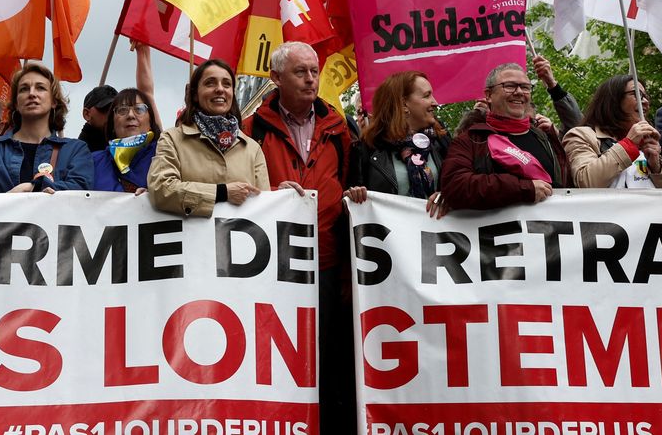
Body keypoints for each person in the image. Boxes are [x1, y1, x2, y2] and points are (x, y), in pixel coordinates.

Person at [241, 42, 352, 435]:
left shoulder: (340, 128)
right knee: (280, 357)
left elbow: (351, 182)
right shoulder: (252, 128)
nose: (310, 79)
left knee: (330, 359)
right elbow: (241, 185)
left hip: (326, 261)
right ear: (276, 78)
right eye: (300, 72)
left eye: (313, 70)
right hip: (272, 265)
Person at [441, 62, 572, 213]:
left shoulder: (545, 137)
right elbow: (455, 186)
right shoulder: (471, 141)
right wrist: (524, 189)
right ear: (489, 95)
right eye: (509, 86)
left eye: (525, 87)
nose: (519, 92)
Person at [147, 59, 269, 216]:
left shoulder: (252, 149)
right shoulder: (172, 139)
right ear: (195, 95)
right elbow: (161, 189)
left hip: (238, 239)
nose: (220, 89)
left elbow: (265, 204)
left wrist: (284, 194)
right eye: (210, 83)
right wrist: (221, 193)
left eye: (226, 84)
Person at [0, 62, 93, 194]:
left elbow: (81, 190)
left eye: (40, 88)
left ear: (54, 101)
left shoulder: (75, 150)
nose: (31, 94)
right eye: (24, 89)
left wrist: (33, 186)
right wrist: (9, 198)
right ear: (16, 103)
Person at [346, 70, 450, 206]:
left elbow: (458, 185)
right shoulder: (367, 148)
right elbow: (352, 203)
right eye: (427, 96)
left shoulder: (441, 140)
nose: (435, 102)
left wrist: (448, 196)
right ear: (403, 104)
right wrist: (353, 195)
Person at [563, 75, 662, 189]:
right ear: (613, 100)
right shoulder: (581, 135)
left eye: (645, 96)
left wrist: (655, 166)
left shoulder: (646, 140)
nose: (644, 101)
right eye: (636, 94)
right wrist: (628, 145)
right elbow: (586, 182)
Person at [92, 87, 160, 193]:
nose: (131, 115)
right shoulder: (94, 162)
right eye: (122, 110)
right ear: (112, 125)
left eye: (139, 109)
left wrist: (154, 197)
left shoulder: (164, 155)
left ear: (151, 122)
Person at [78, 85, 117, 153]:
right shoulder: (77, 153)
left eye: (116, 110)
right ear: (87, 114)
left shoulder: (127, 147)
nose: (111, 114)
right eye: (105, 108)